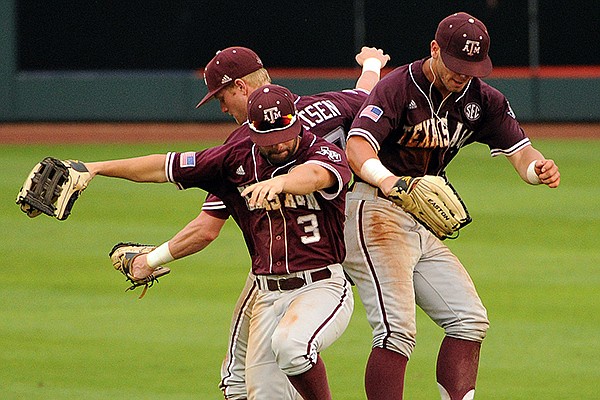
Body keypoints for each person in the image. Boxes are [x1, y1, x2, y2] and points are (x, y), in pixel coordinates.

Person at [130, 45, 390, 399]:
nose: (222, 108)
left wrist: (150, 260)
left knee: (244, 371)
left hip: (301, 254)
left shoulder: (245, 144)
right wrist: (372, 62)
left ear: (241, 87)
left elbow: (207, 228)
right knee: (283, 360)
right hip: (354, 231)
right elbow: (366, 93)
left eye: (222, 97)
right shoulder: (331, 104)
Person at [84, 84, 354, 399]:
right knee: (264, 395)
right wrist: (96, 168)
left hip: (322, 288)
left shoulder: (323, 151)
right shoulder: (233, 159)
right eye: (268, 140)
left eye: (284, 134)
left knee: (292, 346)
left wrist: (281, 182)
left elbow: (316, 175)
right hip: (268, 296)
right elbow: (163, 166)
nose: (278, 145)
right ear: (252, 132)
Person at [343, 12, 560, 400]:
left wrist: (535, 169)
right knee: (396, 332)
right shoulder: (397, 88)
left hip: (421, 218)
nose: (464, 75)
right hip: (374, 209)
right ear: (434, 49)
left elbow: (521, 150)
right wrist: (389, 181)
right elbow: (357, 147)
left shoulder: (483, 99)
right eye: (458, 65)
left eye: (473, 67)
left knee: (469, 320)